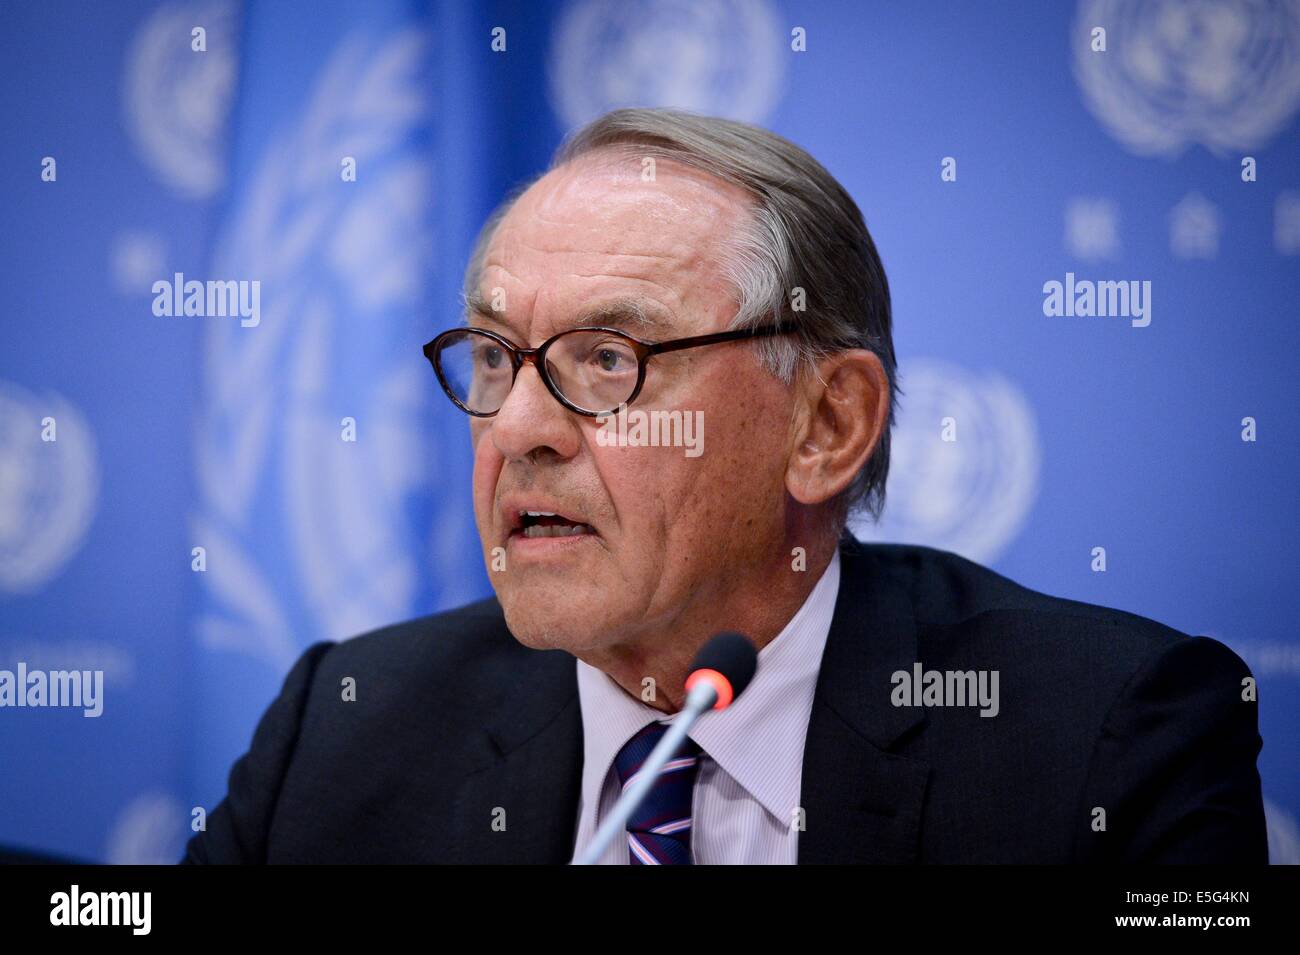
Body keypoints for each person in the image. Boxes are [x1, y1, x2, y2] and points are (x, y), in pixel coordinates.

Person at [183, 108, 1266, 864]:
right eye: (496, 357)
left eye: (609, 359)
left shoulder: (1106, 740)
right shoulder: (344, 730)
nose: (516, 428)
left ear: (826, 423)